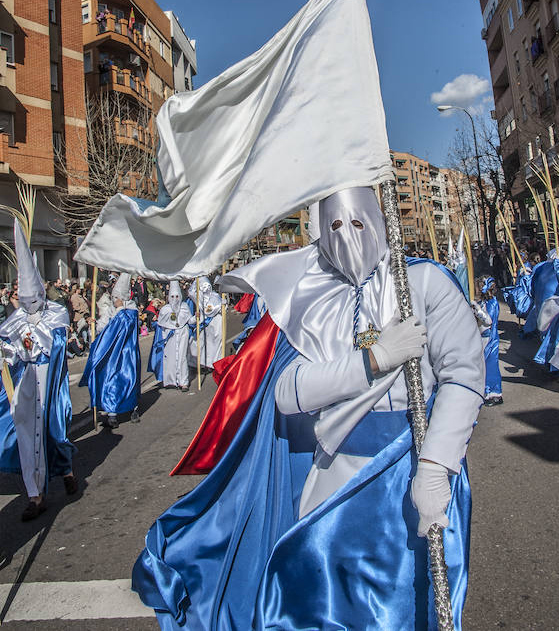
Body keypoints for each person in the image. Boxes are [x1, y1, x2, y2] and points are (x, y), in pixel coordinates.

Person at [133, 186, 485, 629]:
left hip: (410, 469)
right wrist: (371, 360)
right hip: (331, 481)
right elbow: (288, 392)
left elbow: (464, 375)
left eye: (358, 223)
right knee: (326, 609)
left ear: (378, 219)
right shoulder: (312, 298)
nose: (348, 236)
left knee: (406, 608)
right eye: (334, 225)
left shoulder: (423, 282)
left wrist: (436, 467)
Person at [0, 220, 77, 521]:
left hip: (49, 381)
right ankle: (35, 495)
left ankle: (67, 470)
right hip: (25, 383)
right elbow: (10, 350)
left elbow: (55, 346)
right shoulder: (16, 319)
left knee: (52, 432)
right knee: (25, 434)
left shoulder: (56, 314)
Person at [80, 273, 141, 429]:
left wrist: (121, 308)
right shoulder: (112, 309)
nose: (115, 300)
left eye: (117, 298)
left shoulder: (131, 309)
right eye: (114, 298)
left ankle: (133, 408)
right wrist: (94, 324)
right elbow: (104, 325)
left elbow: (126, 326)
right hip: (112, 353)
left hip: (127, 353)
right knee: (111, 379)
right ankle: (112, 413)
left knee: (129, 380)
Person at [148, 281, 192, 390]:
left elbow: (189, 320)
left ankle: (183, 381)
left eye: (177, 296)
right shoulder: (165, 309)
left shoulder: (185, 307)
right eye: (172, 296)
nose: (175, 299)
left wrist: (197, 318)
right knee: (170, 357)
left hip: (182, 334)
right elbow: (161, 324)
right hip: (169, 336)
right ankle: (170, 380)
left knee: (182, 357)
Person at [473, 277, 502, 406]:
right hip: (483, 337)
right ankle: (485, 392)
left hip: (489, 339)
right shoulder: (486, 302)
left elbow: (488, 321)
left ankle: (494, 394)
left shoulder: (492, 303)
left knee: (490, 367)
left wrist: (477, 309)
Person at [187, 276, 222, 371]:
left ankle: (213, 364)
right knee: (199, 342)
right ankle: (200, 363)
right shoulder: (198, 298)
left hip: (215, 324)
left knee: (213, 344)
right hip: (204, 324)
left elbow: (209, 310)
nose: (205, 290)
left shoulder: (215, 297)